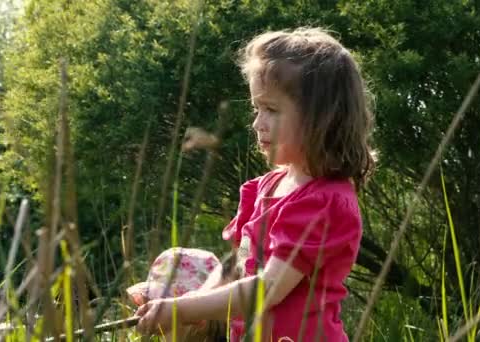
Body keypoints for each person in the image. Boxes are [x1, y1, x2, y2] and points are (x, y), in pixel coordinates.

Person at [135, 27, 375, 341]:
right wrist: (185, 306)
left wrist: (184, 311)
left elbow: (269, 287)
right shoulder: (264, 189)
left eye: (271, 110)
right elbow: (235, 266)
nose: (257, 122)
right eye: (256, 108)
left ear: (323, 118)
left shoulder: (325, 201)